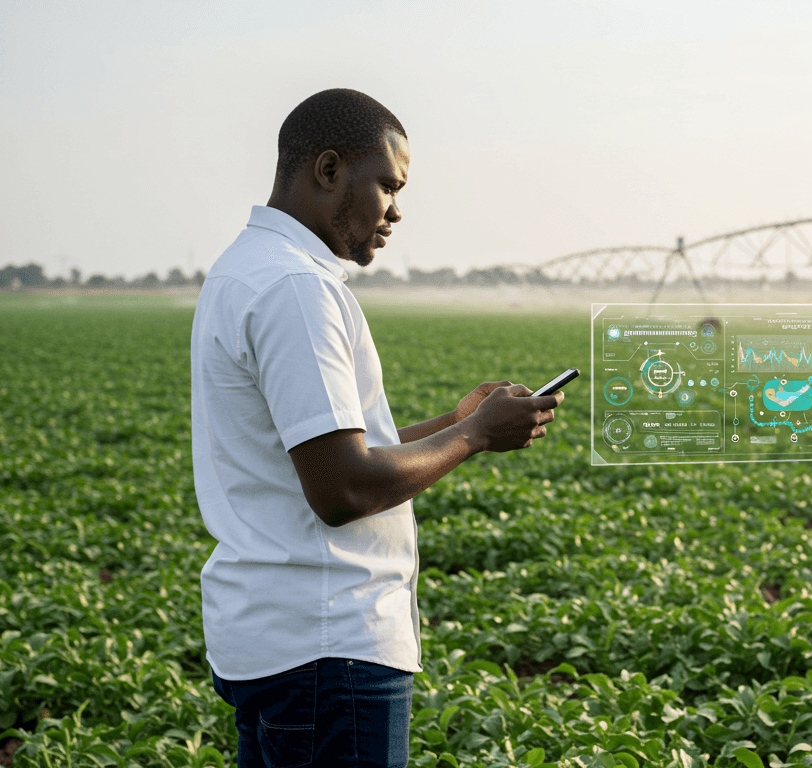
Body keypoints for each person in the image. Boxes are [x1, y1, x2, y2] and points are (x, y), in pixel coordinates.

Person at [190, 88, 563, 767]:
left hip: (282, 644)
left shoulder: (245, 270)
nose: (396, 210)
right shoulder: (296, 289)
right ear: (329, 170)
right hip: (327, 651)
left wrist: (453, 423)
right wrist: (476, 435)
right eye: (388, 185)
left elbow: (323, 453)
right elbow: (343, 489)